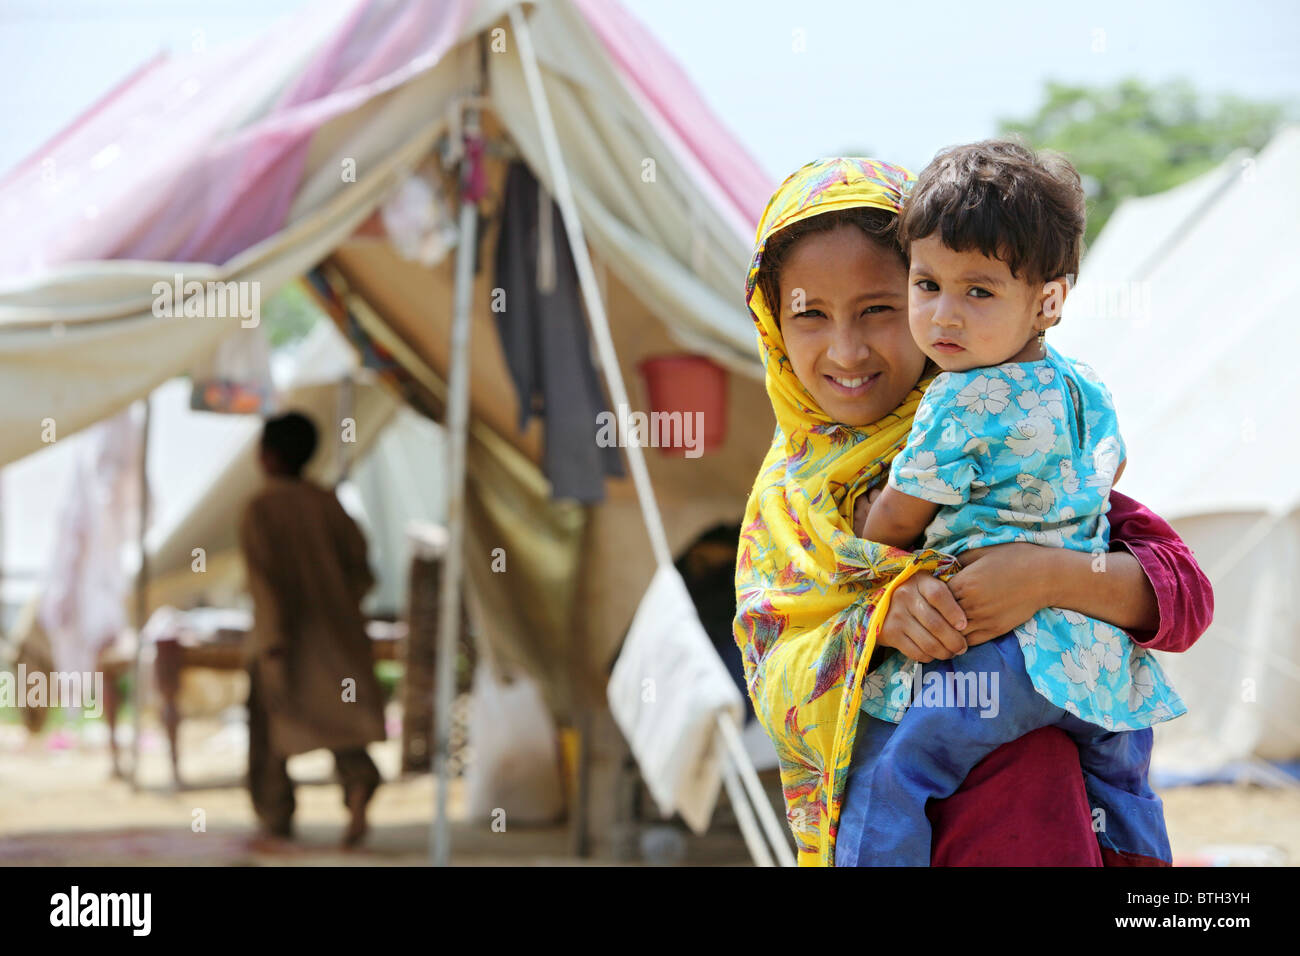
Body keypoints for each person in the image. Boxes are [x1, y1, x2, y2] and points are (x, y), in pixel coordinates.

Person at [733, 157, 1212, 866]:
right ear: (773, 324)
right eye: (808, 314)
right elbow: (774, 671)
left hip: (1043, 824)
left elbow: (1185, 595)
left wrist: (1048, 577)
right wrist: (876, 620)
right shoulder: (786, 506)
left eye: (880, 307)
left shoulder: (1014, 430)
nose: (846, 349)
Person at [852, 140, 1184, 866]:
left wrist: (863, 519)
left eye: (978, 291)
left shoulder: (959, 397)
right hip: (1097, 664)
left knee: (893, 773)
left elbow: (898, 522)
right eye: (926, 284)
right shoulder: (1084, 385)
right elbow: (1111, 465)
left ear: (1050, 300)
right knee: (1124, 797)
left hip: (1001, 662)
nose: (944, 316)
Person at [240, 411, 386, 848]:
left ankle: (276, 816)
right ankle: (357, 788)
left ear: (266, 456)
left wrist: (271, 643)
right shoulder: (328, 503)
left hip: (284, 641)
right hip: (339, 637)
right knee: (342, 723)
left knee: (269, 730)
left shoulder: (261, 510)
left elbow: (264, 584)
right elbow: (363, 570)